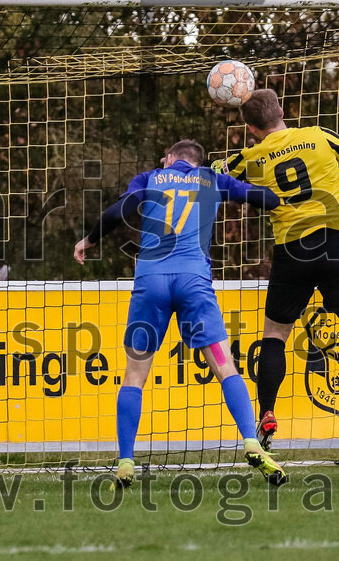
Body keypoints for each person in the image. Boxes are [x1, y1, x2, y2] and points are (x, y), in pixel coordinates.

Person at [74, 138, 287, 487]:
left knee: (134, 376)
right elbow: (262, 197)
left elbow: (117, 212)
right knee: (225, 367)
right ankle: (251, 442)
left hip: (151, 282)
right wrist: (284, 200)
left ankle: (126, 462)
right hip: (193, 283)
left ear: (171, 158)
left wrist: (90, 240)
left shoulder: (149, 178)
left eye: (164, 157)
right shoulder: (212, 179)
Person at [213, 88, 339, 450]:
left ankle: (267, 414)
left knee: (275, 336)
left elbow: (213, 176)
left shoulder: (250, 157)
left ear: (251, 129)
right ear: (282, 111)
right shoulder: (319, 135)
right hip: (336, 245)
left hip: (292, 252)